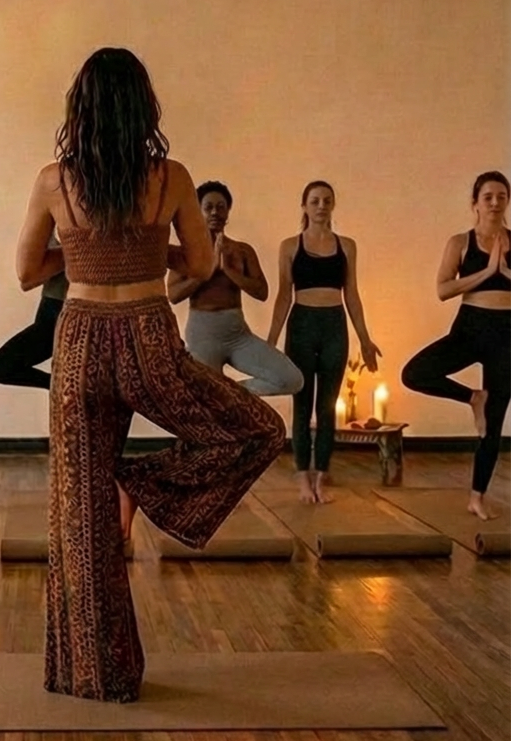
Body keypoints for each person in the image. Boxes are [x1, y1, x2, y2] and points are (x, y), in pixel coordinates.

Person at [17, 48, 285, 704]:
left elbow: (27, 271)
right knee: (256, 430)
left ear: (80, 109)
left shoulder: (54, 180)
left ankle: (93, 676)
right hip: (147, 337)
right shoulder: (172, 177)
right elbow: (198, 263)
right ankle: (139, 482)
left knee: (79, 524)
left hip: (80, 340)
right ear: (144, 108)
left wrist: (86, 248)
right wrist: (145, 245)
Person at [402, 171, 510, 520]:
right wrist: (487, 272)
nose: (495, 202)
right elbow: (443, 289)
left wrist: (505, 273)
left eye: (502, 196)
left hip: (506, 334)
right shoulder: (460, 242)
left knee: (493, 423)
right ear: (475, 203)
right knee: (414, 373)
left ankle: (477, 497)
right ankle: (472, 397)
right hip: (470, 328)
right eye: (488, 196)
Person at [267, 180, 380, 504]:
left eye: (327, 200)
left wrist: (365, 339)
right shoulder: (290, 246)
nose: (321, 206)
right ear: (304, 205)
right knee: (302, 405)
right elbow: (283, 296)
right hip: (302, 325)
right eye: (315, 200)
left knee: (328, 406)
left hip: (334, 325)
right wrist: (270, 341)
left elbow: (352, 295)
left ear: (333, 205)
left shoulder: (347, 246)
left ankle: (321, 478)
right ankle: (302, 477)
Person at [168, 181, 303, 397]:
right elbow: (173, 295)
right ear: (199, 212)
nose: (215, 212)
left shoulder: (242, 251)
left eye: (221, 207)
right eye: (208, 207)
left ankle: (228, 391)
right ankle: (218, 393)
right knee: (206, 398)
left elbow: (262, 292)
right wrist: (209, 269)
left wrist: (229, 270)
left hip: (238, 334)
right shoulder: (187, 252)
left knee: (292, 379)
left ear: (228, 212)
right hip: (203, 336)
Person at [0, 233, 67, 391]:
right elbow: (28, 279)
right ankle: (63, 388)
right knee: (0, 368)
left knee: (1, 367)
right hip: (51, 307)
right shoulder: (49, 227)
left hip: (68, 308)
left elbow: (29, 278)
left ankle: (65, 388)